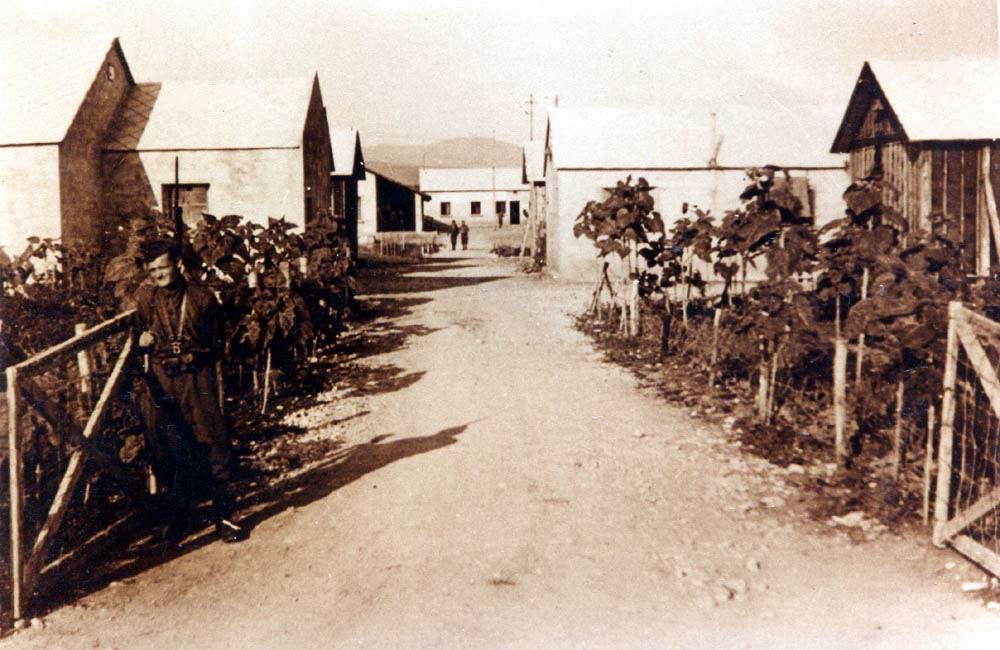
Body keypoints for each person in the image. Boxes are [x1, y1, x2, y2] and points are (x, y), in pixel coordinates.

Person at [135, 238, 247, 544]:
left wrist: (195, 358)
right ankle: (178, 518)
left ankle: (224, 516)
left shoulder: (201, 297)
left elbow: (219, 341)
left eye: (162, 267)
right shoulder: (146, 299)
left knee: (213, 440)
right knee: (166, 445)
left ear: (178, 265)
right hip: (162, 380)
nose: (158, 274)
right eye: (152, 270)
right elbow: (138, 335)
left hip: (197, 378)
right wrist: (142, 341)